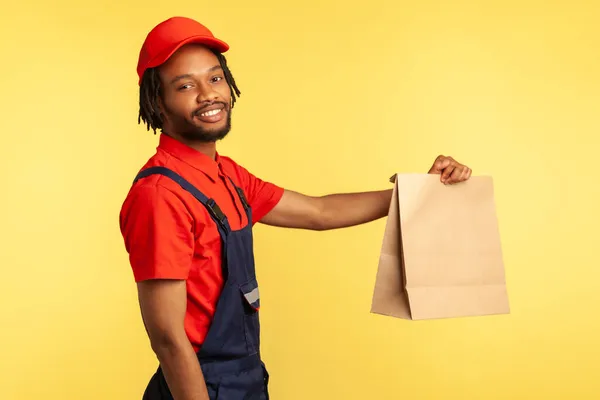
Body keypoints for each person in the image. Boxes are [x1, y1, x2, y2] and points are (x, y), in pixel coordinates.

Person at [119, 16, 473, 400]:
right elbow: (169, 339)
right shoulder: (161, 194)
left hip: (246, 378)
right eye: (185, 85)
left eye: (215, 78)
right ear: (157, 101)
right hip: (199, 387)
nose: (208, 94)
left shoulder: (227, 176)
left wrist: (421, 190)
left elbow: (319, 213)